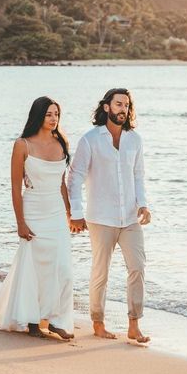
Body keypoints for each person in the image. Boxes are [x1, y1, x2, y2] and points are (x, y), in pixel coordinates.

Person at [0, 96, 74, 340]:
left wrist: (70, 213)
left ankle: (53, 320)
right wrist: (20, 222)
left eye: (56, 115)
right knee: (33, 268)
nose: (53, 119)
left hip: (56, 214)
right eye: (49, 114)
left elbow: (61, 182)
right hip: (33, 210)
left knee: (62, 269)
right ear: (38, 116)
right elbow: (15, 186)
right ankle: (31, 321)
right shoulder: (22, 145)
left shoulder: (61, 143)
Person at [67, 87, 151, 344]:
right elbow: (75, 177)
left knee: (137, 267)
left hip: (129, 218)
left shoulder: (134, 140)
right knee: (100, 271)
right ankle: (98, 322)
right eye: (118, 104)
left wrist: (143, 204)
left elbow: (138, 175)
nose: (123, 109)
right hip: (100, 217)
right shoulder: (90, 139)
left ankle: (134, 325)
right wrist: (76, 213)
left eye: (126, 105)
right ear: (107, 107)